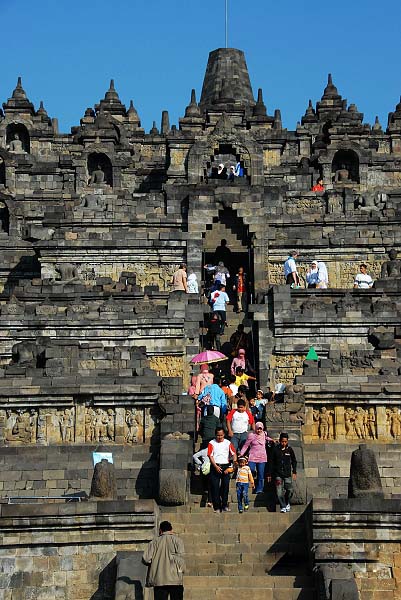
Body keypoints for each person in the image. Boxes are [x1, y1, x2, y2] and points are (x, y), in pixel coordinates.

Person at [143, 520, 185, 599]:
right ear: (171, 530)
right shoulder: (178, 541)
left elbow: (146, 559)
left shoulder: (154, 542)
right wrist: (180, 573)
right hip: (175, 580)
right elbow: (181, 560)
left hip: (159, 580)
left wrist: (155, 562)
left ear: (160, 530)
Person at [207, 427, 237, 512]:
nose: (220, 437)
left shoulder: (228, 443)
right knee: (215, 487)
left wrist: (234, 463)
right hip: (215, 465)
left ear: (224, 435)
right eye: (218, 435)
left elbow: (233, 453)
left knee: (225, 486)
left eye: (221, 435)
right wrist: (215, 466)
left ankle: (224, 505)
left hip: (225, 466)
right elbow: (210, 455)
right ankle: (217, 507)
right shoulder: (211, 443)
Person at [239, 422, 273, 494]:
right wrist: (241, 454)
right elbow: (246, 445)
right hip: (253, 456)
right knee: (250, 469)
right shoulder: (251, 436)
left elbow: (267, 438)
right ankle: (251, 481)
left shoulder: (264, 434)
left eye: (260, 429)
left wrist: (272, 440)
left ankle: (259, 489)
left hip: (262, 457)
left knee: (261, 474)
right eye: (258, 429)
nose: (259, 431)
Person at [267, 432, 297, 513]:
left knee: (290, 490)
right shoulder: (275, 450)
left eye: (285, 442)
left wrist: (294, 471)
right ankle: (283, 506)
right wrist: (269, 474)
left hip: (287, 474)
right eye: (282, 441)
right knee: (279, 491)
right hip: (278, 474)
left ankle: (287, 502)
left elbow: (294, 461)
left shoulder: (289, 450)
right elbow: (271, 462)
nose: (284, 443)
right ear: (280, 441)